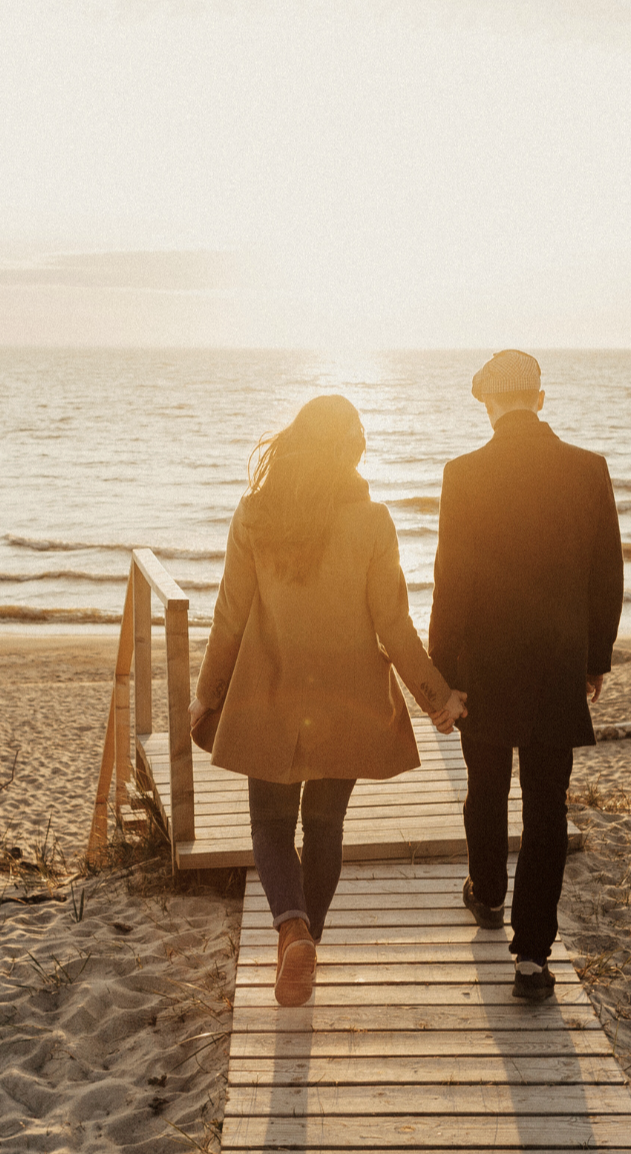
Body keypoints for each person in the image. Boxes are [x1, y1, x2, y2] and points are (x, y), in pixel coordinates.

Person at [192, 395, 467, 1007]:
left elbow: (230, 617)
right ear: (351, 454)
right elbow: (393, 627)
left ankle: (292, 931)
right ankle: (306, 939)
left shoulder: (254, 515)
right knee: (324, 827)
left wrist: (205, 695)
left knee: (268, 823)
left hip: (269, 692)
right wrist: (437, 697)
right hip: (348, 699)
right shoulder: (374, 522)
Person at [430, 350, 624, 1001]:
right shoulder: (586, 469)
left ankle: (486, 892)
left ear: (487, 403)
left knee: (484, 790)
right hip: (555, 665)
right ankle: (532, 957)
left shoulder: (463, 474)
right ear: (540, 400)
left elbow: (449, 583)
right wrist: (594, 659)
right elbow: (606, 576)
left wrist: (441, 675)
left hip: (482, 667)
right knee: (546, 808)